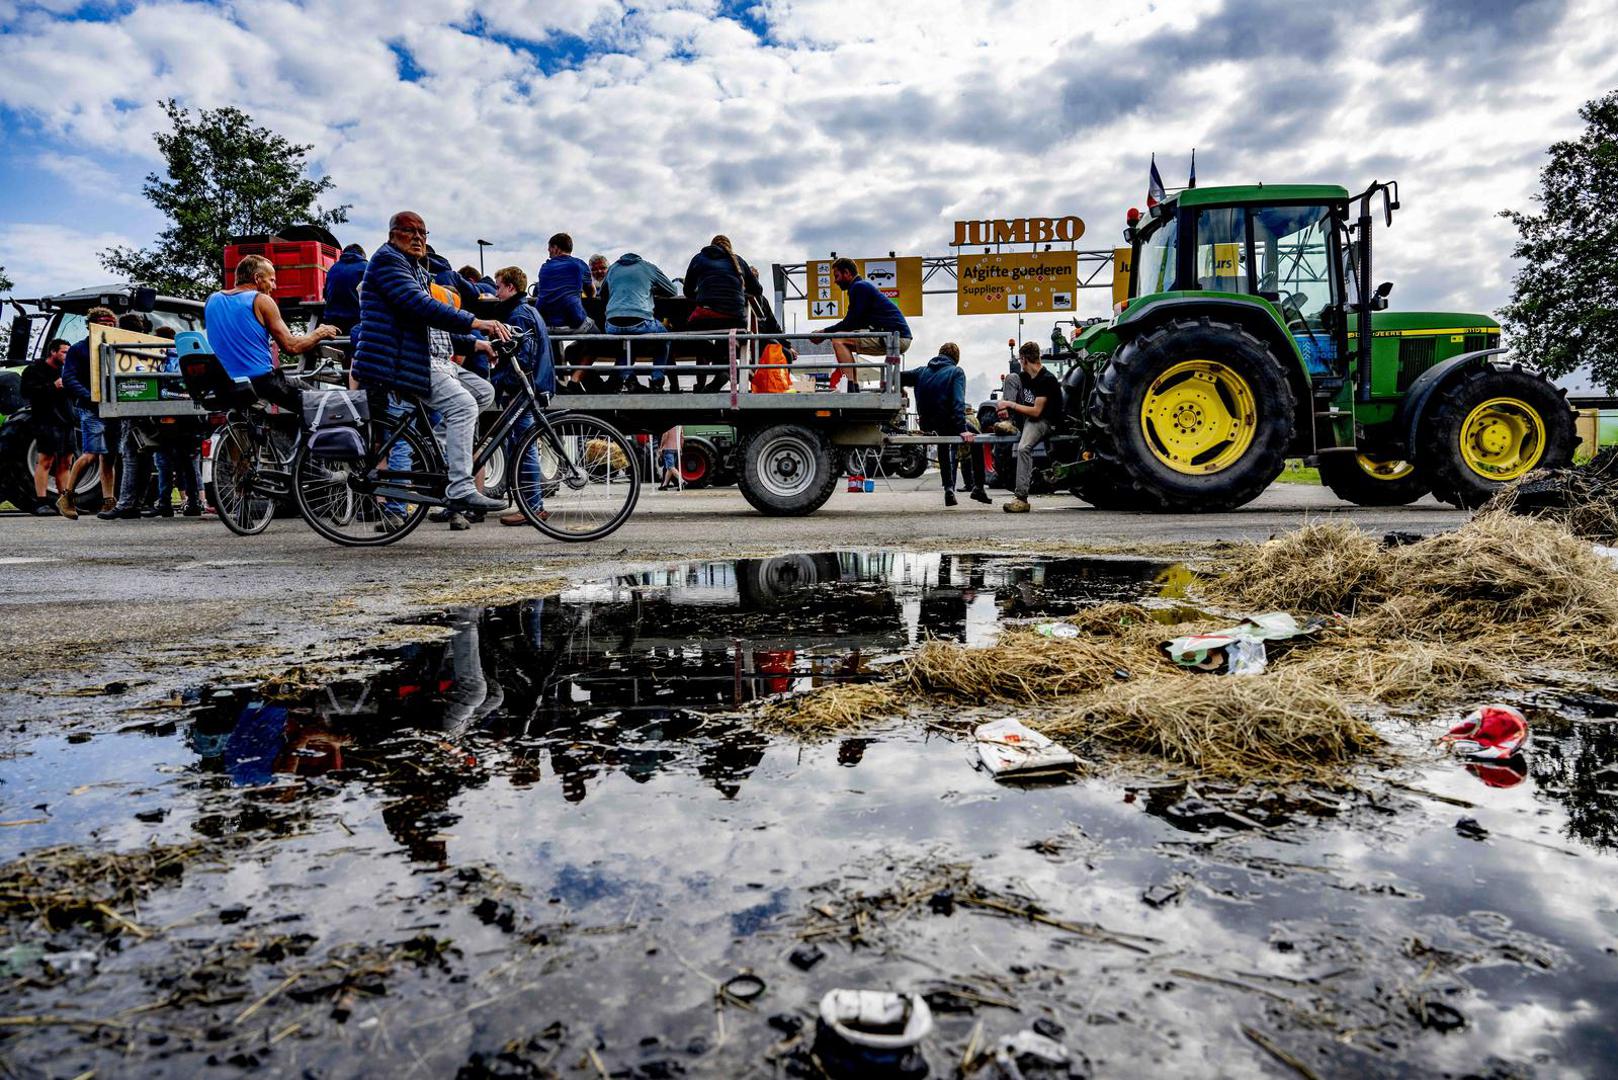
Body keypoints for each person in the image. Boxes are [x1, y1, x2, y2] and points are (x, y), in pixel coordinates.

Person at [352, 210, 510, 517]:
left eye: (423, 233)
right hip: (395, 362)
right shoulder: (388, 261)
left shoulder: (413, 268)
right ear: (392, 234)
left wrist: (476, 343)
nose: (417, 238)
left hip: (411, 358)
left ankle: (443, 447)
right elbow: (421, 307)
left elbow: (431, 327)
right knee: (462, 406)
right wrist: (478, 322)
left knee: (482, 392)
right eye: (409, 231)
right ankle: (459, 488)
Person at [205, 254, 340, 414]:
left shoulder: (212, 300)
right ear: (257, 278)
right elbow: (292, 347)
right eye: (271, 280)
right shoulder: (261, 300)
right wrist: (320, 332)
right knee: (325, 404)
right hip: (260, 382)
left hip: (223, 384)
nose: (274, 286)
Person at [487, 265, 554, 528]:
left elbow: (522, 359)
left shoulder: (519, 315)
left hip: (522, 390)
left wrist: (498, 381)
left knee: (525, 447)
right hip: (530, 387)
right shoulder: (528, 311)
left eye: (499, 287)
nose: (496, 293)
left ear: (511, 287)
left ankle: (533, 508)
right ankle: (531, 506)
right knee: (522, 446)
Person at [809, 258, 912, 391]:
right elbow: (853, 323)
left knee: (838, 339)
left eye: (837, 276)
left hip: (895, 338)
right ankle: (853, 385)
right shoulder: (861, 287)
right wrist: (826, 333)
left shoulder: (859, 287)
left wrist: (824, 333)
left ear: (847, 273)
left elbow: (851, 323)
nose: (835, 281)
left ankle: (851, 386)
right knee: (843, 339)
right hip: (894, 336)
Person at [909, 342, 989, 507]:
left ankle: (948, 489)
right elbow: (958, 402)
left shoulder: (921, 371)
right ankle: (979, 487)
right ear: (956, 358)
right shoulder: (956, 372)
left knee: (943, 444)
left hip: (927, 425)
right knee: (977, 438)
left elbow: (898, 376)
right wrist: (962, 429)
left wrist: (898, 388)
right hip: (949, 422)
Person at [682, 235, 764, 393]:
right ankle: (723, 370)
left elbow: (687, 291)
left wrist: (703, 293)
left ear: (712, 245)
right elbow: (757, 290)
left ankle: (723, 368)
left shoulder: (699, 259)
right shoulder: (738, 261)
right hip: (735, 318)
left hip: (708, 316)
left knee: (688, 333)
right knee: (724, 337)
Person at [60, 306, 120, 517]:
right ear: (91, 326)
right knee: (91, 454)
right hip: (90, 408)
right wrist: (89, 395)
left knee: (110, 456)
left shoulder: (118, 347)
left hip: (113, 408)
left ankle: (109, 501)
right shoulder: (78, 349)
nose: (108, 329)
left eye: (111, 325)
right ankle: (67, 496)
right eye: (103, 325)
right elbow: (69, 378)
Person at [996, 341, 1061, 513]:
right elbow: (1015, 392)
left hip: (1043, 420)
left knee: (1023, 448)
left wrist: (1010, 404)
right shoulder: (1024, 377)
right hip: (1026, 417)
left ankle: (1021, 498)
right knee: (1011, 377)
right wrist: (1004, 409)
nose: (1020, 363)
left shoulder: (1047, 380)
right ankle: (1008, 423)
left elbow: (1036, 412)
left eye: (1020, 360)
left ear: (1024, 359)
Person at [602, 252, 677, 392]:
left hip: (612, 325)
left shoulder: (612, 268)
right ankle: (657, 380)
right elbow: (672, 291)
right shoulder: (648, 267)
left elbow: (602, 294)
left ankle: (629, 378)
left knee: (626, 345)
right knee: (664, 337)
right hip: (640, 322)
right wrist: (651, 289)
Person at [21, 337, 76, 517]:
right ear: (53, 352)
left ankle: (65, 502)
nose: (67, 356)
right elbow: (26, 392)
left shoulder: (67, 369)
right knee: (46, 460)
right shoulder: (34, 370)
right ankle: (41, 501)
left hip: (66, 419)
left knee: (66, 462)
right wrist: (52, 386)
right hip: (46, 420)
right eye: (64, 352)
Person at [535, 233, 595, 332]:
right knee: (598, 332)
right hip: (574, 322)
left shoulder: (544, 267)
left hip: (544, 323)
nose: (548, 251)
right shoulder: (579, 265)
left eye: (550, 248)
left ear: (556, 248)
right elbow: (591, 292)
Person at [322, 243, 367, 342]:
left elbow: (325, 294)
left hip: (332, 321)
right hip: (355, 321)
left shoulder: (332, 268)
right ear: (362, 255)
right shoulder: (366, 267)